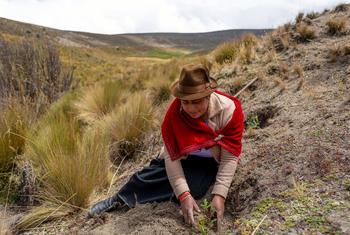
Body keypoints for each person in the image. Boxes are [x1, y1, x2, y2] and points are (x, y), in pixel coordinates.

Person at [88, 64, 244, 231]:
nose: (191, 109)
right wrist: (183, 196)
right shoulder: (174, 115)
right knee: (145, 177)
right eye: (186, 102)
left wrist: (219, 196)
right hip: (184, 156)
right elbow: (172, 156)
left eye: (197, 102)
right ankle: (119, 199)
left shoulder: (229, 111)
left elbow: (230, 156)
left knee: (196, 187)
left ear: (209, 95)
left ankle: (166, 191)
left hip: (212, 161)